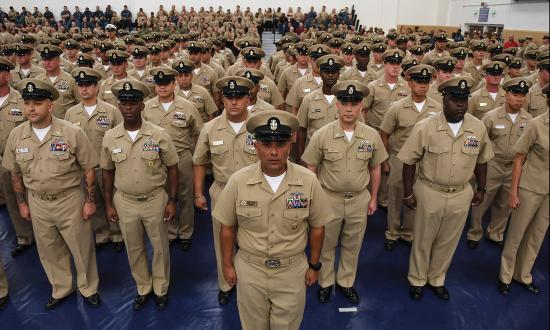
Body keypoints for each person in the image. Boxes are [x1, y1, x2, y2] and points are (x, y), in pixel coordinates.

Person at [213, 110, 333, 330]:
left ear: (290, 145)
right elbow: (227, 227)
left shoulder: (308, 181)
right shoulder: (238, 181)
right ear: (256, 145)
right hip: (250, 270)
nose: (274, 152)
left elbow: (318, 227)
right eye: (267, 144)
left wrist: (314, 265)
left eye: (280, 144)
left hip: (291, 270)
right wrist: (227, 265)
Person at [3, 78, 101, 309]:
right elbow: (15, 174)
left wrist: (89, 201)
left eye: (37, 102)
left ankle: (89, 288)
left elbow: (88, 169)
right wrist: (22, 204)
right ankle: (62, 287)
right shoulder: (17, 136)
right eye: (27, 103)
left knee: (81, 246)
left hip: (70, 200)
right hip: (37, 202)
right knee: (49, 249)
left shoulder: (72, 132)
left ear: (50, 105)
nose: (31, 108)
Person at [398, 77, 494, 300]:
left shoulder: (477, 127)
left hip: (461, 193)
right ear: (444, 100)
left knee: (449, 240)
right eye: (455, 100)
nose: (460, 104)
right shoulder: (426, 127)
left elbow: (482, 160)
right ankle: (417, 279)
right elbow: (409, 161)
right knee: (423, 238)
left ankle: (437, 278)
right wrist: (408, 192)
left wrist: (481, 188)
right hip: (430, 190)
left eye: (464, 100)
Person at [302, 81, 387, 304]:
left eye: (355, 103)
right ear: (337, 105)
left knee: (353, 244)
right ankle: (326, 282)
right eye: (344, 103)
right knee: (326, 244)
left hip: (359, 199)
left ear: (361, 107)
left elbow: (375, 167)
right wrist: (314, 201)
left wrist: (374, 198)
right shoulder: (322, 135)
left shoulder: (371, 136)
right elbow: (311, 169)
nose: (349, 109)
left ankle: (346, 282)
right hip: (329, 198)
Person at [100, 79, 179, 310]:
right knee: (133, 248)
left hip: (155, 199)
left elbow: (173, 167)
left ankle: (161, 288)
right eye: (123, 103)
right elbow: (107, 171)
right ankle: (143, 287)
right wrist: (108, 204)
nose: (128, 107)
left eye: (133, 102)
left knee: (160, 247)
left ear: (142, 106)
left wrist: (172, 200)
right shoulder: (110, 137)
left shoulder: (159, 134)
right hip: (124, 202)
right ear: (118, 105)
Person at [192, 76, 257, 305]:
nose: (234, 102)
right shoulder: (210, 129)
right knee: (223, 242)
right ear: (221, 99)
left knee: (253, 242)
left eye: (239, 97)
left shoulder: (260, 127)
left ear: (248, 98)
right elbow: (199, 161)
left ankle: (251, 285)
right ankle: (226, 283)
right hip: (221, 192)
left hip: (254, 193)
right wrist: (198, 193)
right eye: (229, 97)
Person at [380, 64, 442, 251]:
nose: (423, 85)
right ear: (409, 82)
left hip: (424, 162)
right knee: (396, 197)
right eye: (418, 81)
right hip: (400, 160)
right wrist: (386, 161)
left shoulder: (437, 108)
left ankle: (408, 232)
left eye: (426, 81)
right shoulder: (397, 107)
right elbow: (384, 134)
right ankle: (392, 232)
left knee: (416, 197)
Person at [467, 78, 533, 249]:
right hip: (493, 164)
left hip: (514, 166)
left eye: (523, 95)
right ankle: (474, 232)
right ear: (506, 94)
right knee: (482, 200)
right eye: (515, 94)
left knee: (504, 203)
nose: (519, 99)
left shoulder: (529, 120)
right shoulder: (491, 116)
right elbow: (480, 142)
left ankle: (496, 233)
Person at [64, 67, 124, 252]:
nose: (84, 89)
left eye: (88, 85)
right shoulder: (70, 114)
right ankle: (102, 234)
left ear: (97, 87)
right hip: (85, 169)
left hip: (108, 166)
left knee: (113, 200)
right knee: (93, 201)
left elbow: (122, 136)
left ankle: (117, 234)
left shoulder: (111, 111)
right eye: (80, 85)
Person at [143, 68, 203, 249]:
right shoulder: (146, 107)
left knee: (185, 196)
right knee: (163, 195)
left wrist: (195, 157)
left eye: (166, 84)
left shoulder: (187, 106)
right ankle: (170, 231)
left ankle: (185, 232)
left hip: (181, 157)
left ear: (173, 84)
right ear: (155, 86)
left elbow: (199, 133)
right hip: (156, 160)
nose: (162, 88)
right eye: (159, 84)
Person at [498, 83, 548, 296]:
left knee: (537, 236)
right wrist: (513, 192)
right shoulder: (537, 124)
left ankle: (523, 274)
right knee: (516, 234)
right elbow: (519, 159)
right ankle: (505, 275)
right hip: (530, 187)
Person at [0, 56, 34, 257]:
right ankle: (24, 236)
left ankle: (41, 232)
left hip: (25, 158)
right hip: (3, 162)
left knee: (32, 196)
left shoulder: (21, 100)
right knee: (12, 199)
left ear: (7, 75)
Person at [34, 44, 79, 119]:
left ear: (58, 60)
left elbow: (80, 103)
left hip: (66, 124)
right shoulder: (38, 81)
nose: (47, 63)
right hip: (44, 124)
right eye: (45, 59)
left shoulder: (70, 80)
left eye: (50, 59)